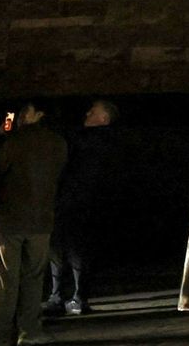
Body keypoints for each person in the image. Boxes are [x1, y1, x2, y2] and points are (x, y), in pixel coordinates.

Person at [0, 100, 69, 346]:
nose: (22, 116)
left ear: (40, 114)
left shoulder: (13, 141)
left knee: (6, 280)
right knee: (34, 278)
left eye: (27, 112)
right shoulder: (58, 143)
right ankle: (30, 330)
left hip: (9, 220)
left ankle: (3, 335)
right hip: (41, 220)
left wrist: (4, 133)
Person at [45, 99, 121, 317]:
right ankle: (72, 297)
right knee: (71, 250)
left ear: (104, 119)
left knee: (67, 250)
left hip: (77, 203)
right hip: (84, 203)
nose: (87, 113)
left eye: (93, 111)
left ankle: (64, 296)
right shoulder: (104, 142)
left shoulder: (87, 140)